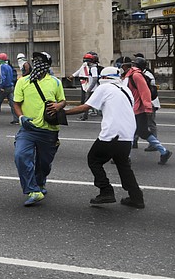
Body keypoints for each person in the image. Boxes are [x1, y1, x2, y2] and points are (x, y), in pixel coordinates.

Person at [62, 67, 145, 209]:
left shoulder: (105, 88)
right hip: (127, 135)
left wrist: (63, 113)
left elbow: (85, 107)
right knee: (123, 165)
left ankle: (106, 191)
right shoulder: (125, 90)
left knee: (93, 159)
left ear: (103, 77)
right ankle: (136, 198)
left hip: (112, 134)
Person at [12, 51, 66, 206]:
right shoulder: (23, 82)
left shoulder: (55, 82)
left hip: (49, 131)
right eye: (34, 60)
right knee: (21, 156)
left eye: (40, 61)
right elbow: (16, 103)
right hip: (28, 130)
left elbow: (62, 101)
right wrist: (21, 117)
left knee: (44, 163)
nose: (37, 63)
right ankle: (33, 190)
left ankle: (40, 182)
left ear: (47, 64)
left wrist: (58, 106)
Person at [121, 57, 172, 165]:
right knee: (138, 132)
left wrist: (148, 107)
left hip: (138, 109)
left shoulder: (136, 75)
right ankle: (163, 152)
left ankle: (125, 156)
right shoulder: (130, 75)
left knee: (135, 132)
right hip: (133, 108)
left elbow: (145, 92)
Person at [131, 54, 159, 150]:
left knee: (150, 124)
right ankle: (134, 141)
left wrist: (148, 106)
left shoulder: (145, 74)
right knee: (137, 125)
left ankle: (154, 144)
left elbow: (147, 91)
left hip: (150, 103)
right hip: (141, 104)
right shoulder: (138, 74)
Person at [68, 53, 100, 121]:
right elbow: (80, 70)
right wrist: (73, 76)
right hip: (85, 85)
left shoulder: (93, 68)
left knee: (87, 102)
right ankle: (86, 115)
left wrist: (90, 89)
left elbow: (95, 79)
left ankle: (85, 116)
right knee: (85, 101)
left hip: (90, 88)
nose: (86, 62)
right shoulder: (86, 65)